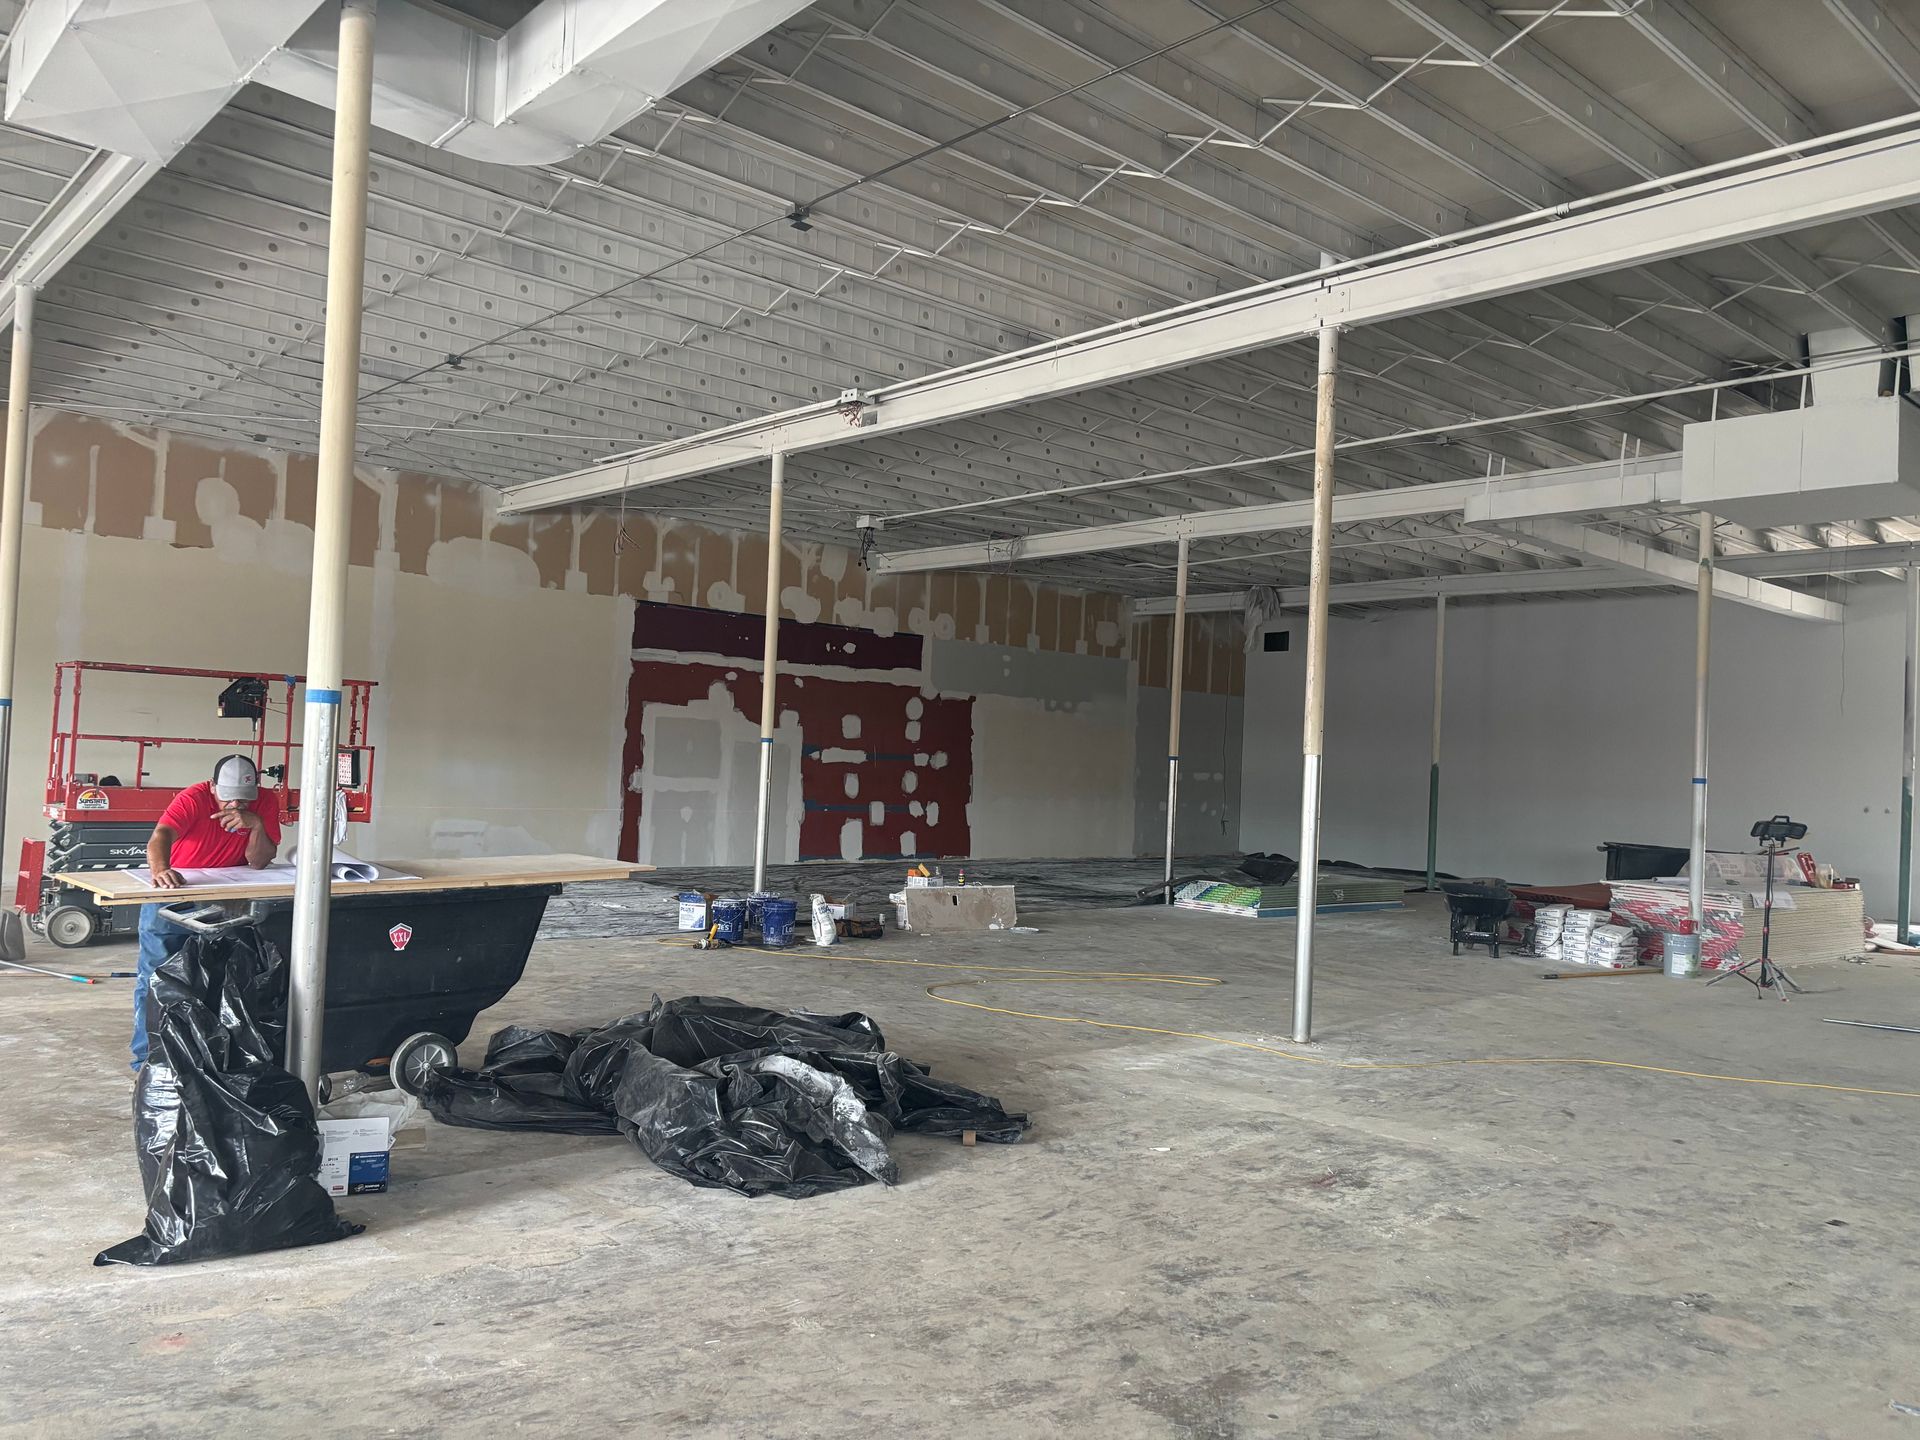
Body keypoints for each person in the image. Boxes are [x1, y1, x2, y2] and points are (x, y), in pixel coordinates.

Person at [132, 754, 282, 1068]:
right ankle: (149, 1060)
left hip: (229, 897)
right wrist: (160, 870)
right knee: (157, 977)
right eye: (228, 797)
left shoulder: (265, 802)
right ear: (212, 786)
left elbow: (258, 861)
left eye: (244, 799)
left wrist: (256, 826)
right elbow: (160, 837)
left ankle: (214, 1056)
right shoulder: (194, 798)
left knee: (225, 977)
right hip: (178, 894)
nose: (236, 805)